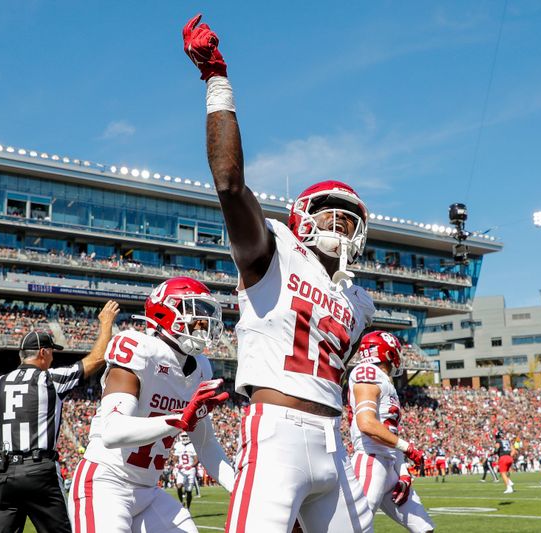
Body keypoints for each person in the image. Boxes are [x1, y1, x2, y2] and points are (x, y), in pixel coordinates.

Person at [184, 14, 377, 533]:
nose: (339, 224)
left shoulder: (357, 299)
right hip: (276, 434)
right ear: (303, 219)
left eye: (348, 218)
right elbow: (228, 183)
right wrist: (216, 80)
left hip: (333, 440)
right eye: (330, 214)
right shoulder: (276, 252)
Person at [68, 277, 233, 533]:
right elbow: (113, 432)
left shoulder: (201, 367)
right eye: (195, 311)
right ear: (164, 311)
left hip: (148, 491)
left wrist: (245, 492)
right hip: (105, 483)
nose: (203, 321)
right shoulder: (138, 348)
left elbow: (206, 445)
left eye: (206, 313)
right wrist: (177, 419)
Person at [0, 301, 118, 533]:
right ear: (43, 352)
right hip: (39, 470)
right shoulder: (51, 378)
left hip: (2, 474)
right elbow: (98, 359)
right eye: (51, 353)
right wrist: (106, 323)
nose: (52, 359)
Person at [348, 331, 433, 533]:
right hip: (371, 460)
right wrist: (409, 448)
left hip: (390, 464)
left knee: (424, 528)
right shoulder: (367, 373)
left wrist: (402, 472)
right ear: (387, 353)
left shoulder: (386, 382)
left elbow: (388, 432)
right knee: (356, 528)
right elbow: (367, 424)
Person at [173, 432, 199, 510]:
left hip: (190, 470)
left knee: (189, 491)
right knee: (179, 486)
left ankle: (188, 507)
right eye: (183, 436)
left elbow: (196, 460)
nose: (184, 438)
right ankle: (181, 502)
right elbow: (175, 458)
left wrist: (191, 466)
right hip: (181, 469)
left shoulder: (192, 446)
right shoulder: (178, 445)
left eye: (186, 436)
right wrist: (177, 465)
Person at [495, 430, 515, 494]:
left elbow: (496, 448)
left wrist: (494, 452)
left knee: (502, 473)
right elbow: (514, 451)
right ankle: (509, 481)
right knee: (506, 471)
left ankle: (509, 487)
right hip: (509, 458)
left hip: (503, 457)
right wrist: (509, 456)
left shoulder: (498, 441)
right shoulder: (507, 441)